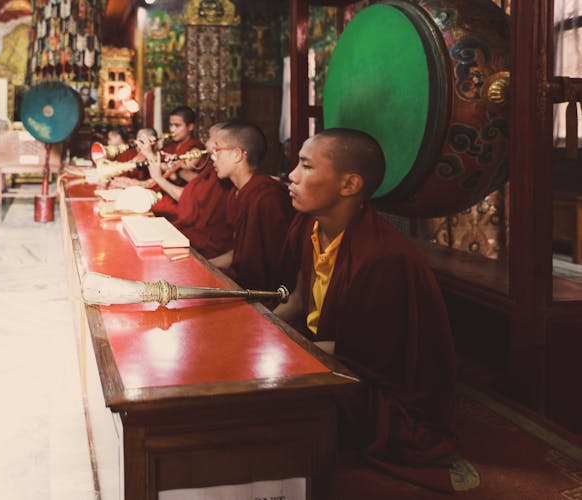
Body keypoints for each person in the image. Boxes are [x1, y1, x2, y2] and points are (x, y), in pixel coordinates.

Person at [273, 128, 457, 492]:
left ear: (349, 184)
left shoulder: (382, 258)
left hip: (375, 385)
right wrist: (256, 328)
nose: (291, 176)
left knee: (265, 405)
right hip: (322, 351)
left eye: (306, 167)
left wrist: (276, 358)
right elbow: (297, 299)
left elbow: (363, 358)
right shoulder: (308, 225)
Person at [207, 120, 294, 290]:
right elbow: (238, 252)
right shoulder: (236, 193)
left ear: (237, 154)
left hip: (267, 294)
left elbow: (279, 265)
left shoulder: (268, 198)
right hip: (242, 283)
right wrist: (205, 265)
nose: (213, 157)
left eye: (217, 150)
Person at [140, 117, 233, 259]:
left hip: (192, 218)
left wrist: (157, 170)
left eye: (211, 140)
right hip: (187, 208)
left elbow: (192, 196)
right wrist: (175, 168)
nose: (171, 130)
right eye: (170, 125)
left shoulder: (196, 148)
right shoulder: (172, 147)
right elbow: (196, 184)